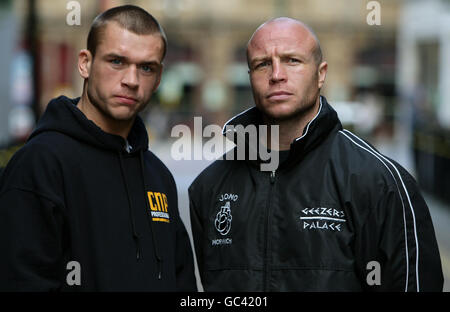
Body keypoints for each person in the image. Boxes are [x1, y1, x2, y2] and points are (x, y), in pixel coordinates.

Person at [188, 17, 443, 291]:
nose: (277, 74)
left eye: (292, 61)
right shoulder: (210, 186)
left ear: (321, 73)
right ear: (250, 76)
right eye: (262, 64)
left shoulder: (380, 181)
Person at [0, 5, 197, 291]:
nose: (131, 80)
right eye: (117, 61)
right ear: (85, 63)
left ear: (158, 78)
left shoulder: (158, 176)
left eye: (146, 67)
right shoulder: (40, 164)